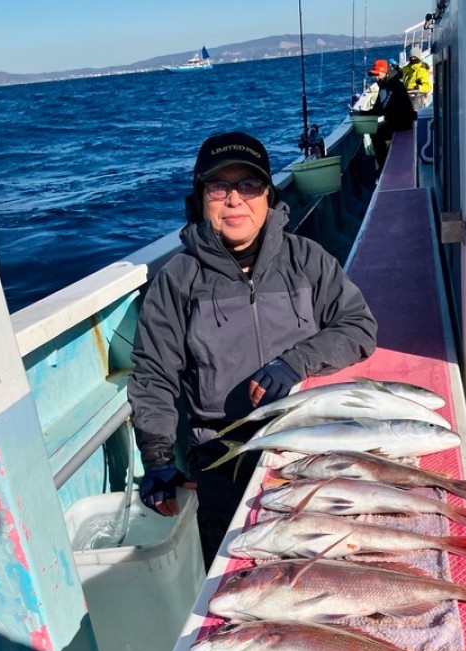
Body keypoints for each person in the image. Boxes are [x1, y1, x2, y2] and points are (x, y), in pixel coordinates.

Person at [129, 131, 377, 563]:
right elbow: (154, 376)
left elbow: (358, 327)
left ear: (268, 196)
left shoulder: (307, 259)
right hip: (222, 458)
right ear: (200, 198)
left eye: (248, 185)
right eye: (219, 186)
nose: (234, 199)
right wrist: (158, 459)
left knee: (331, 559)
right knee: (237, 574)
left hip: (306, 441)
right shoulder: (177, 280)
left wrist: (295, 362)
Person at [367, 58, 416, 172]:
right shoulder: (384, 85)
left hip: (403, 123)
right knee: (377, 132)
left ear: (384, 72)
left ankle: (383, 167)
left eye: (377, 74)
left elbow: (384, 107)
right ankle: (383, 164)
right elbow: (379, 107)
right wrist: (364, 113)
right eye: (374, 75)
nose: (375, 78)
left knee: (377, 134)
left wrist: (366, 113)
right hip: (394, 121)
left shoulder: (394, 85)